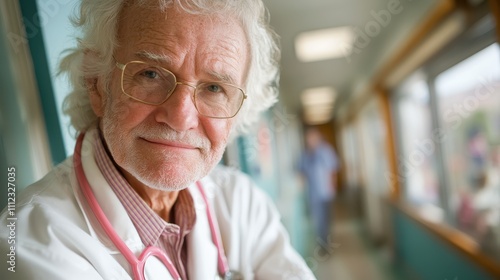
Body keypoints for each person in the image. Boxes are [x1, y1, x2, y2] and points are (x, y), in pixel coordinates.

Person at [0, 1, 315, 279]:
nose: (180, 117)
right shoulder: (31, 240)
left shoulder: (241, 203)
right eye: (151, 73)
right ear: (96, 84)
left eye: (214, 89)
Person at [299, 128, 339, 248]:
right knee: (318, 219)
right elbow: (301, 171)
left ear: (318, 138)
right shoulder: (306, 155)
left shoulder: (326, 151)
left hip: (326, 192)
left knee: (326, 218)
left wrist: (333, 187)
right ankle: (323, 243)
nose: (310, 141)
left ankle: (326, 239)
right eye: (308, 139)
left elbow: (333, 170)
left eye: (312, 138)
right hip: (313, 194)